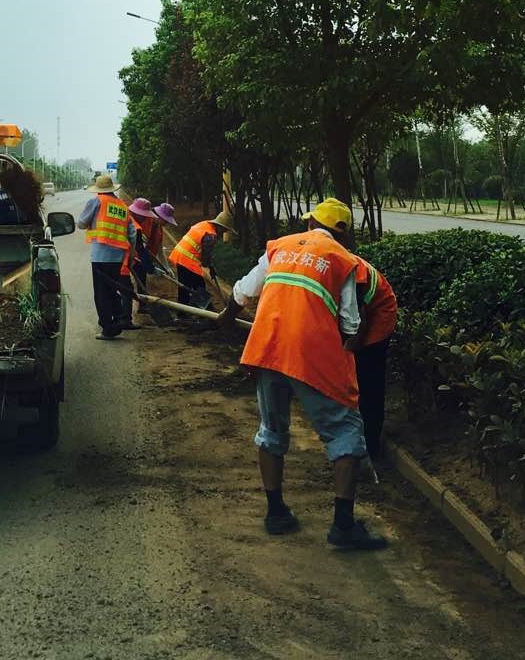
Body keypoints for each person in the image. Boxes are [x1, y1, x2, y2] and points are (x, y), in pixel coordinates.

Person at [217, 198, 388, 551]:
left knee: (271, 429)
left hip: (267, 346)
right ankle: (343, 526)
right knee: (345, 429)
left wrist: (226, 316)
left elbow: (244, 290)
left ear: (310, 224)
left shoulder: (280, 247)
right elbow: (350, 323)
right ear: (342, 234)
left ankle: (276, 512)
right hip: (310, 354)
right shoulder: (341, 258)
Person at [77, 174, 136, 340]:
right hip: (118, 257)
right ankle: (118, 319)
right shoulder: (122, 206)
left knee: (101, 293)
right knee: (112, 289)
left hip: (100, 256)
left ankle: (108, 328)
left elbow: (81, 223)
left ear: (98, 189)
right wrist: (130, 256)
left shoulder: (96, 202)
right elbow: (132, 234)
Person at [355, 256, 397, 458]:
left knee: (368, 381)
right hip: (363, 315)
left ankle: (371, 446)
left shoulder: (353, 273)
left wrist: (347, 350)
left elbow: (357, 323)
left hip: (377, 320)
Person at [169, 209, 233, 305]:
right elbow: (205, 257)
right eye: (225, 229)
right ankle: (204, 310)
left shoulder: (204, 224)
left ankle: (183, 309)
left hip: (179, 255)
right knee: (199, 286)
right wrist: (209, 266)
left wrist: (210, 267)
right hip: (187, 260)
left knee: (184, 286)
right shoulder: (211, 235)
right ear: (221, 227)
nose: (224, 232)